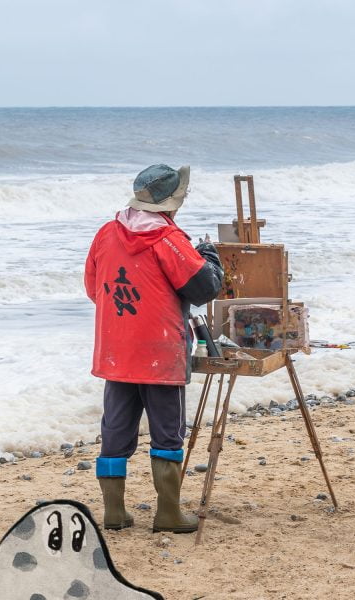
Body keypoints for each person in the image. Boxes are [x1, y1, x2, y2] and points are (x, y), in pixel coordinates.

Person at [84, 164, 223, 533]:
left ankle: (114, 513)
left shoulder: (106, 233)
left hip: (116, 351)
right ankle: (168, 514)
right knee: (167, 432)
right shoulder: (167, 239)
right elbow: (205, 287)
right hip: (159, 353)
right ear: (171, 205)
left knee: (115, 431)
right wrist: (209, 254)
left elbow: (93, 288)